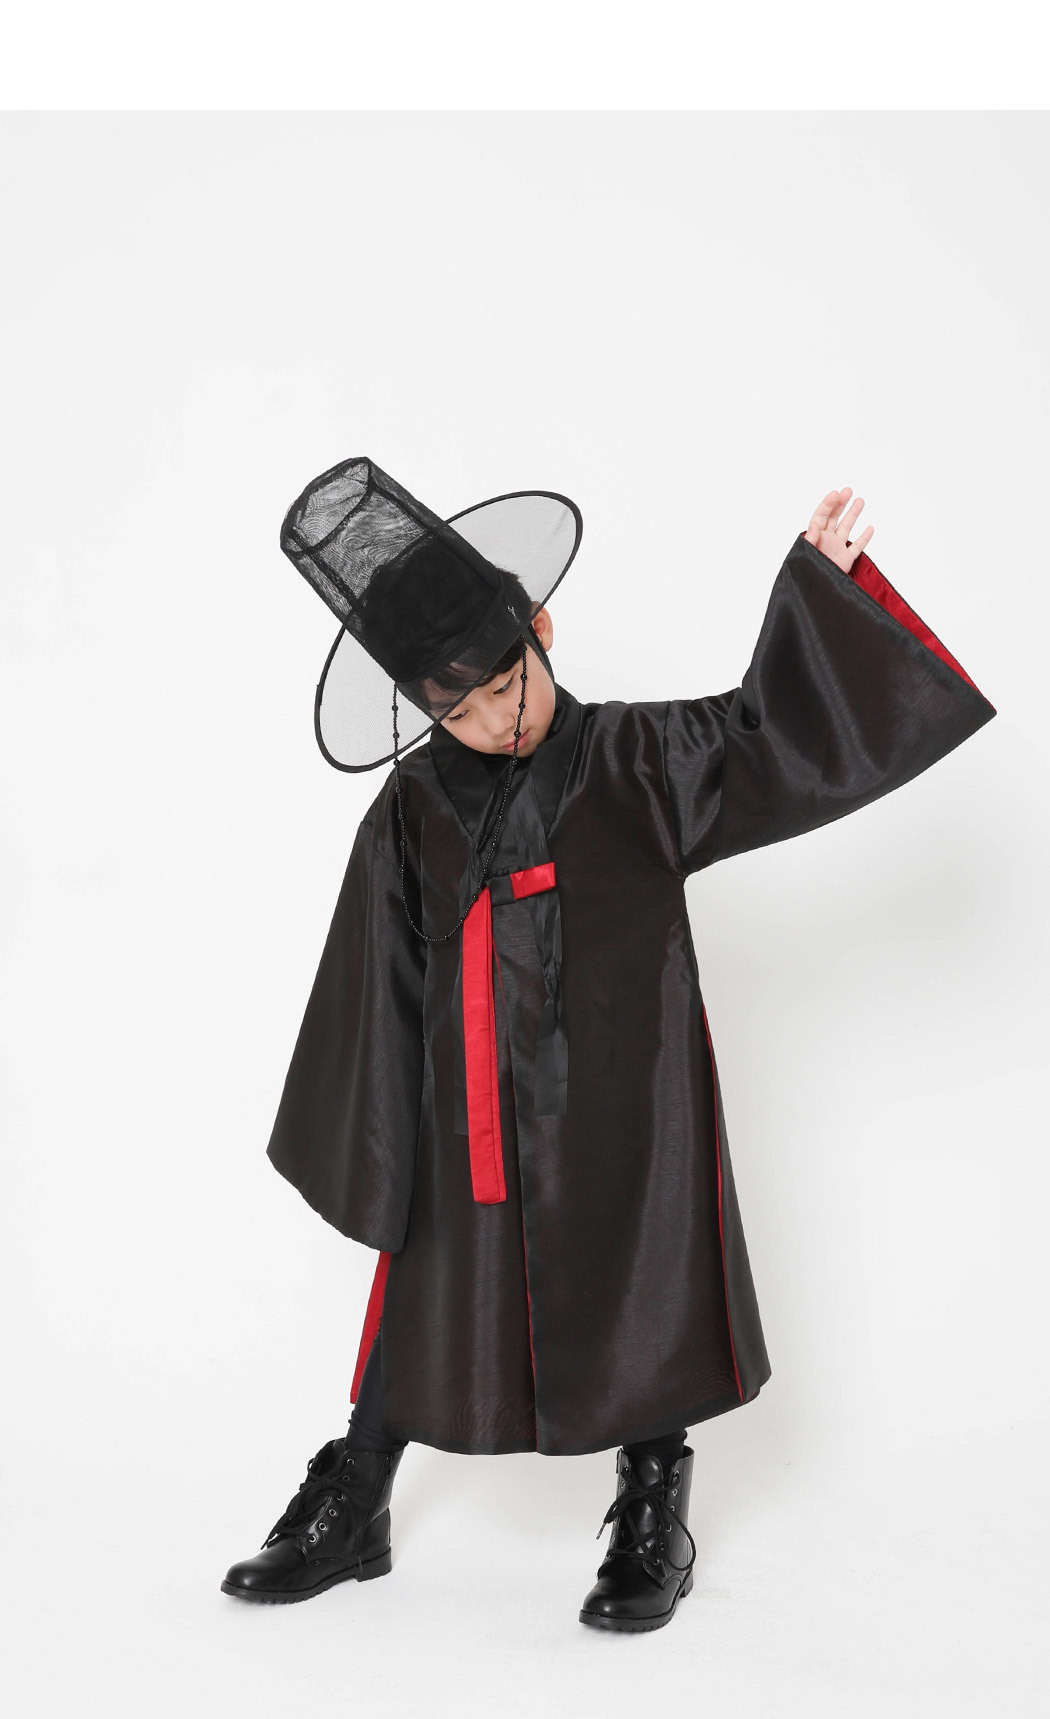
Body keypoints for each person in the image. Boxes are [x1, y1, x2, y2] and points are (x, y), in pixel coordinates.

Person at [221, 462, 995, 1633]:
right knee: (428, 1281)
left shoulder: (640, 759)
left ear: (539, 630)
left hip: (628, 1097)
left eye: (505, 684)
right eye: (458, 710)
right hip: (469, 1113)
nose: (497, 719)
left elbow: (769, 738)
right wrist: (384, 1145)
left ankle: (651, 1501)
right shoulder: (411, 812)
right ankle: (356, 1493)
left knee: (643, 1266)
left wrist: (819, 593)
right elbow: (374, 980)